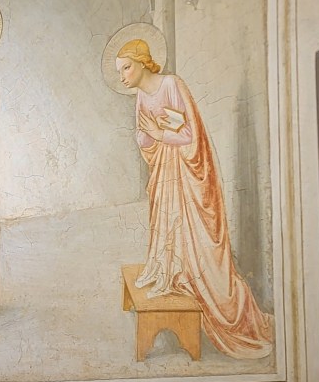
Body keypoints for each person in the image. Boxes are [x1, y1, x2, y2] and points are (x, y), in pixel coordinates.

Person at [115, 38, 272, 359]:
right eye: (120, 72)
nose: (123, 77)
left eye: (126, 68)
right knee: (165, 222)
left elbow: (190, 134)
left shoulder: (172, 85)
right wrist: (149, 136)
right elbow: (145, 141)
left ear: (142, 62)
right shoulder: (141, 96)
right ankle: (169, 270)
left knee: (192, 233)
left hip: (188, 174)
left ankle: (199, 284)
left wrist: (160, 134)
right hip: (164, 173)